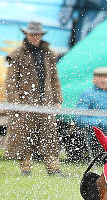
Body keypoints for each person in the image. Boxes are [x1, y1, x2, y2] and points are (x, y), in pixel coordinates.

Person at [5, 21, 64, 176]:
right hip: (25, 103)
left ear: (41, 35)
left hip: (46, 102)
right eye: (32, 34)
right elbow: (11, 81)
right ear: (26, 35)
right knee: (25, 136)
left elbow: (54, 78)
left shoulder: (48, 53)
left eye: (37, 34)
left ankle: (53, 168)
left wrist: (57, 99)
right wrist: (16, 102)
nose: (35, 37)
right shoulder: (17, 54)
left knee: (49, 135)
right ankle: (26, 168)